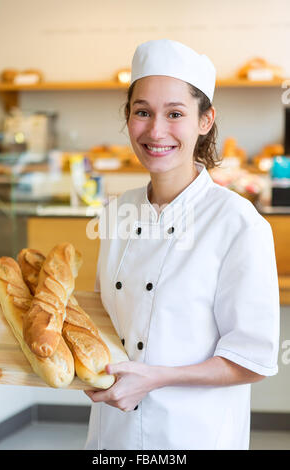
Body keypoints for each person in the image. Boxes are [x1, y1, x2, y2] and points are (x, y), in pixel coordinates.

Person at [84, 39, 280, 450]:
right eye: (142, 112)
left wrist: (155, 378)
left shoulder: (238, 223)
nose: (156, 131)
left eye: (175, 114)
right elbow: (105, 314)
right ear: (128, 117)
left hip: (193, 433)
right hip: (112, 434)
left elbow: (253, 360)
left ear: (205, 121)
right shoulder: (118, 212)